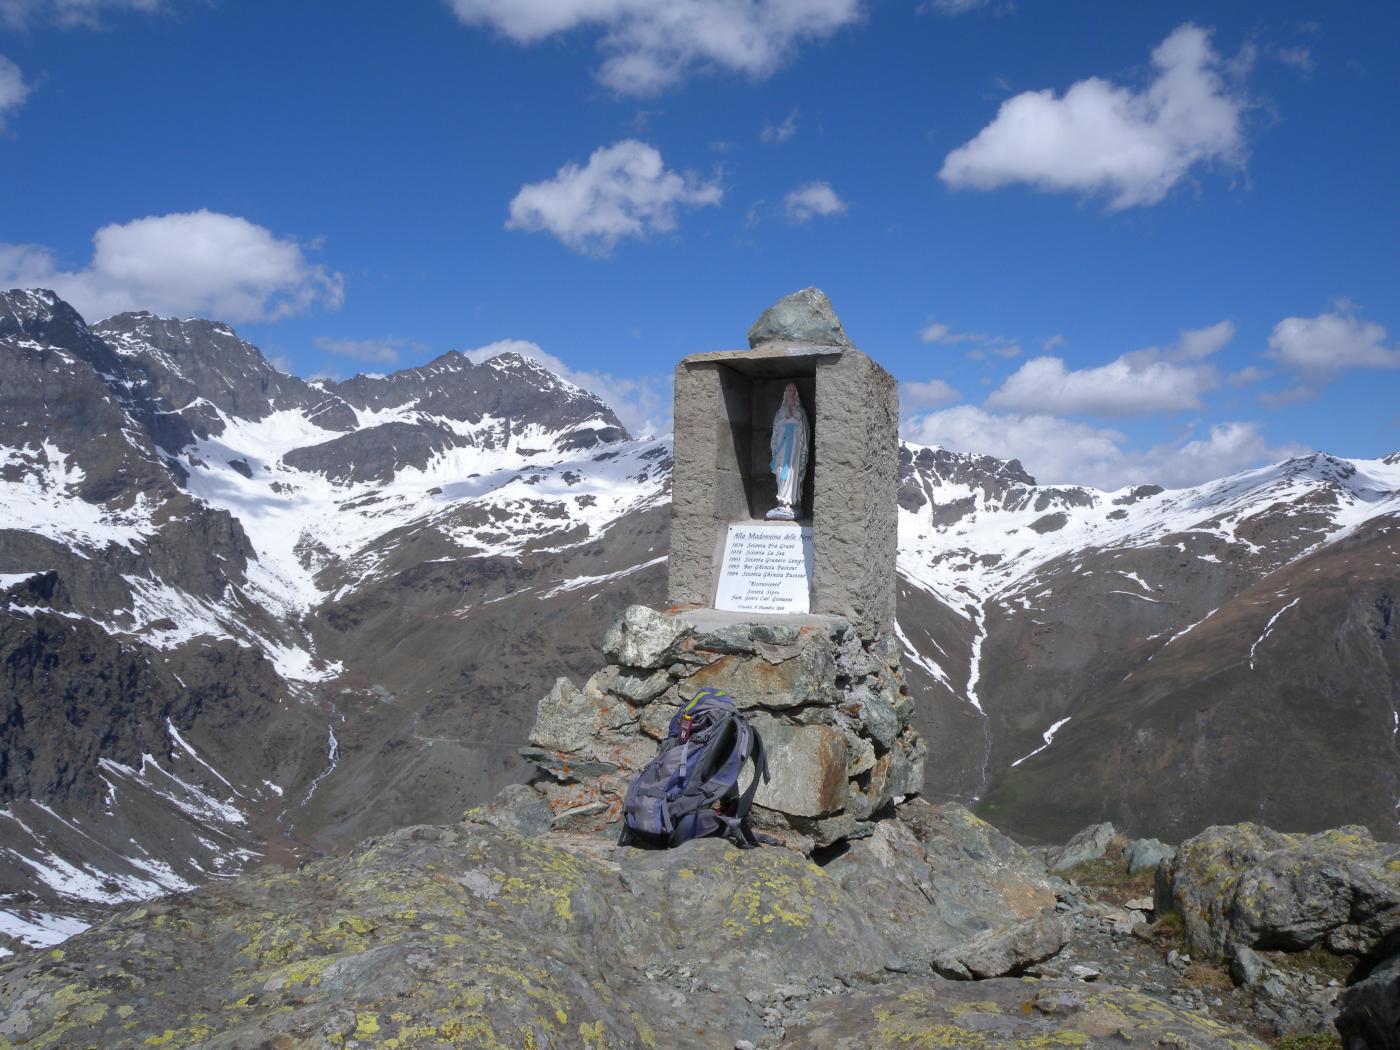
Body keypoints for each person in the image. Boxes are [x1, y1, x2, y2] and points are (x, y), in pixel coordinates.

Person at [766, 382, 809, 520]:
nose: (789, 391)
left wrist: (793, 418)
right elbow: (776, 430)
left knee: (791, 473)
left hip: (794, 449)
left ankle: (788, 502)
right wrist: (786, 420)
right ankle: (781, 501)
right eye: (788, 389)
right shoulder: (780, 412)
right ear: (785, 393)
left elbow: (803, 431)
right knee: (780, 474)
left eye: (792, 390)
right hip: (782, 448)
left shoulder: (800, 412)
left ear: (795, 394)